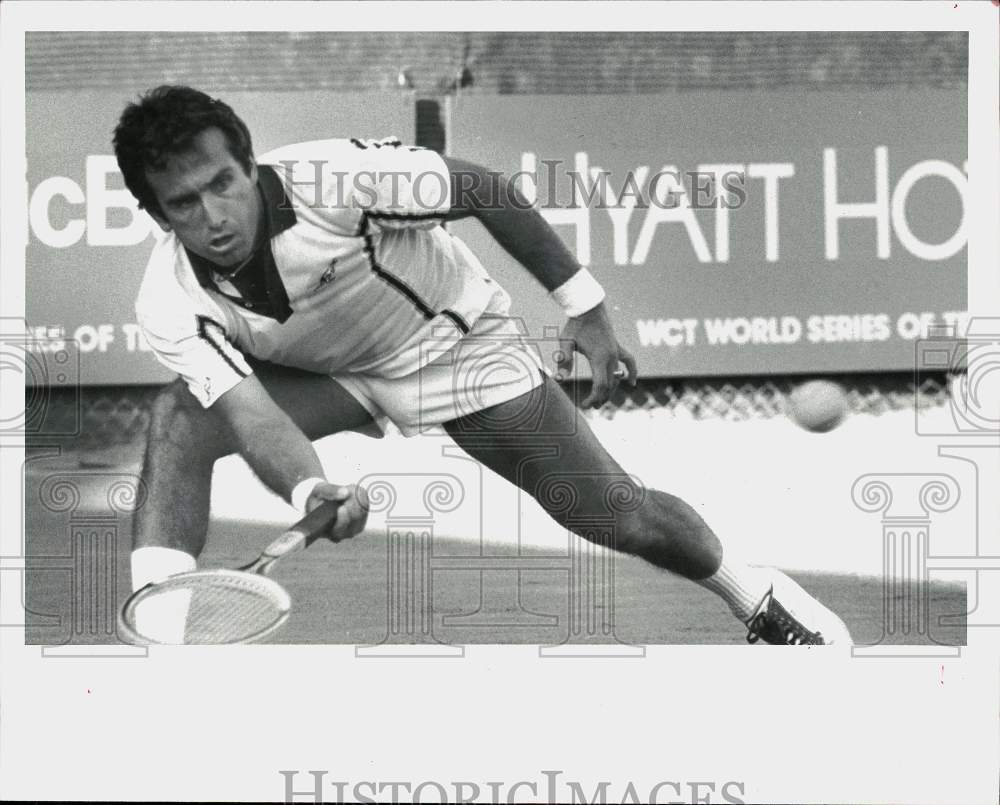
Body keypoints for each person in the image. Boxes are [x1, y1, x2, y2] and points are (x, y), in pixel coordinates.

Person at [113, 85, 851, 645]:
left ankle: (755, 596)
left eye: (223, 184)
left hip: (455, 347)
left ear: (249, 165)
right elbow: (249, 410)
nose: (212, 216)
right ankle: (167, 648)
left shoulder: (335, 180)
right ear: (158, 216)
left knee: (618, 514)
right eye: (184, 203)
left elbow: (487, 190)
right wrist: (312, 485)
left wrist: (585, 305)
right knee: (181, 418)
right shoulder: (168, 297)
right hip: (329, 378)